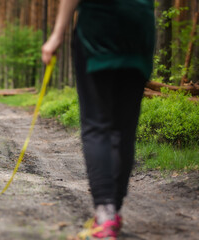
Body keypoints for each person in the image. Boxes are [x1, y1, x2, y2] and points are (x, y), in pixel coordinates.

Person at [42, 0, 155, 239]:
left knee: (97, 125)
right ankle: (114, 211)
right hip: (140, 25)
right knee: (125, 128)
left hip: (99, 27)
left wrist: (56, 34)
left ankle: (105, 214)